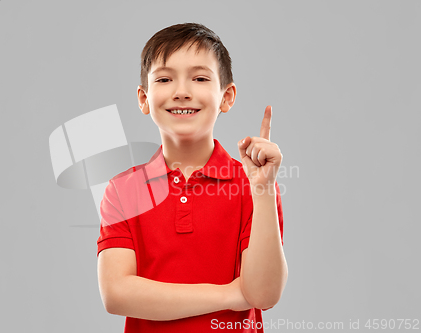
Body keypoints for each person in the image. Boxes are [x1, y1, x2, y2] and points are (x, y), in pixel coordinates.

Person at [96, 22, 287, 332]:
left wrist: (263, 190)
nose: (182, 92)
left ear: (226, 96)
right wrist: (231, 293)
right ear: (144, 98)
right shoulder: (123, 190)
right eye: (164, 78)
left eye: (199, 78)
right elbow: (116, 294)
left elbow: (263, 294)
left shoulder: (254, 187)